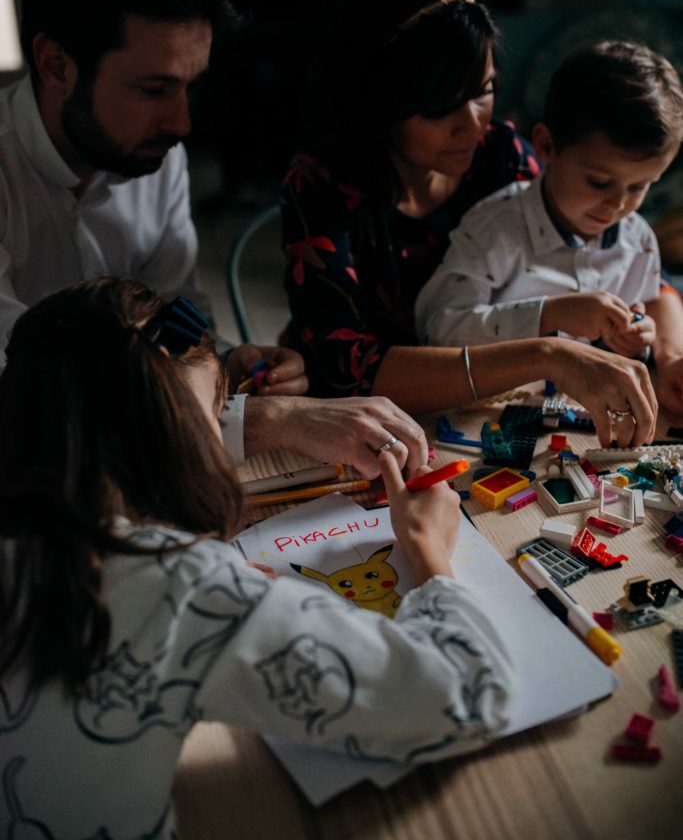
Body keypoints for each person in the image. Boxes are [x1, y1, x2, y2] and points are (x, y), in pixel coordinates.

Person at [0, 278, 515, 837]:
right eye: (214, 419)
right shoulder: (175, 587)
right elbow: (464, 695)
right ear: (169, 446)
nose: (221, 436)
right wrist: (428, 547)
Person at [0, 0, 428, 476]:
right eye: (155, 89)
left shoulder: (153, 156)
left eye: (190, 87)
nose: (182, 124)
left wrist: (227, 364)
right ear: (56, 65)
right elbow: (28, 395)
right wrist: (257, 420)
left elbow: (175, 321)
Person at [279, 0, 660, 446]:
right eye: (441, 107)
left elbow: (622, 262)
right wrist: (548, 353)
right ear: (379, 100)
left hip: (477, 418)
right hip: (365, 427)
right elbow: (345, 372)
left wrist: (664, 352)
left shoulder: (500, 153)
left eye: (484, 91)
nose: (473, 124)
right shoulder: (322, 187)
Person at [416, 40, 683, 381]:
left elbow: (649, 310)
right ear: (545, 146)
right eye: (600, 182)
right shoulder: (494, 228)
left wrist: (638, 336)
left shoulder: (639, 240)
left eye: (638, 187)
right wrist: (548, 315)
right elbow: (438, 327)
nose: (618, 205)